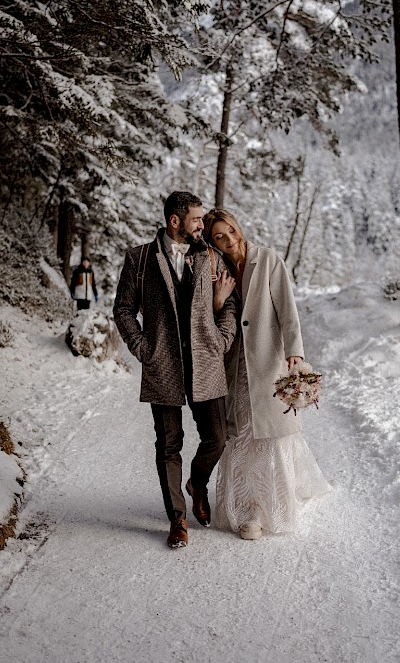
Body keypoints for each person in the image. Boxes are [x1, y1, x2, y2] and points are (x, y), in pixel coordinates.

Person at [113, 192, 238, 549]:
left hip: (206, 362)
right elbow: (123, 310)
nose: (203, 225)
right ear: (175, 221)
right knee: (169, 445)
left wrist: (223, 338)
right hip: (163, 365)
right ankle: (177, 519)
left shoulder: (210, 255)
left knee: (217, 437)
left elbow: (228, 301)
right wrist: (143, 349)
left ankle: (197, 483)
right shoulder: (139, 259)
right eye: (197, 219)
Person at [203, 208, 331, 541]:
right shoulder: (216, 268)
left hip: (267, 360)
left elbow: (288, 309)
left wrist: (295, 352)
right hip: (234, 366)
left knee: (270, 435)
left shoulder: (268, 259)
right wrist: (218, 301)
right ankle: (246, 507)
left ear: (238, 226)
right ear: (212, 241)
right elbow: (211, 314)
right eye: (219, 236)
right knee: (242, 433)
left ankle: (264, 509)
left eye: (230, 230)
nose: (229, 239)